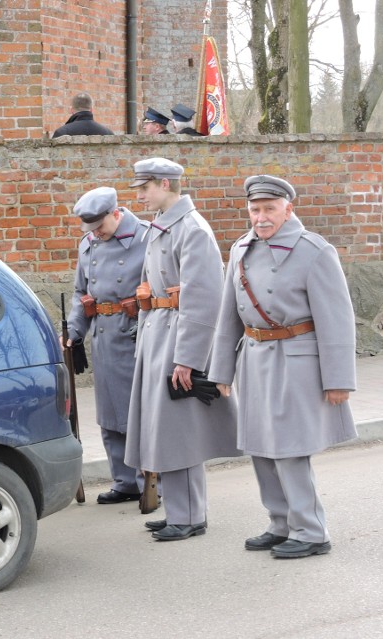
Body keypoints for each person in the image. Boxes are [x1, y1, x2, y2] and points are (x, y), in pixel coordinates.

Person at [208, 175, 357, 559]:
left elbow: (337, 319)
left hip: (297, 359)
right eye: (255, 209)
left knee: (290, 448)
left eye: (269, 209)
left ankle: (310, 530)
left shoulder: (314, 251)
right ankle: (279, 523)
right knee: (259, 445)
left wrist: (338, 380)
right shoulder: (241, 249)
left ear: (288, 209)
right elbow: (228, 316)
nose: (261, 217)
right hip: (254, 359)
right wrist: (221, 371)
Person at [124, 157, 239, 541]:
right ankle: (180, 510)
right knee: (164, 430)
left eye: (144, 188)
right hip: (159, 334)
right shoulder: (161, 226)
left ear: (165, 185)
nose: (139, 195)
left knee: (181, 431)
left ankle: (189, 516)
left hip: (178, 339)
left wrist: (188, 358)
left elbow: (205, 299)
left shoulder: (192, 230)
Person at [66, 187, 150, 505]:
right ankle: (125, 480)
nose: (96, 234)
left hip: (135, 335)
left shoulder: (146, 237)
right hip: (103, 336)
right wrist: (73, 332)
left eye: (100, 226)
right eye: (91, 229)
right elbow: (80, 293)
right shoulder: (88, 243)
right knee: (109, 414)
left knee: (136, 413)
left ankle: (150, 480)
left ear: (115, 214)